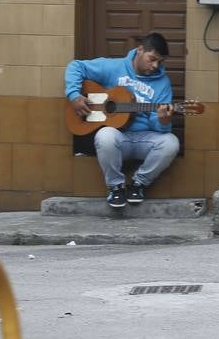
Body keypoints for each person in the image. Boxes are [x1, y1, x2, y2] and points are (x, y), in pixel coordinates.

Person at [65, 33, 180, 209]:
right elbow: (76, 66)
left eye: (160, 62)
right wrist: (74, 95)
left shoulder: (162, 82)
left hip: (144, 140)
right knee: (105, 135)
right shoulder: (113, 67)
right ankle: (116, 187)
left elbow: (161, 130)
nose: (155, 66)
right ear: (140, 50)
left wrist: (163, 120)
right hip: (118, 138)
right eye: (152, 59)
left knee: (171, 142)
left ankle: (138, 184)